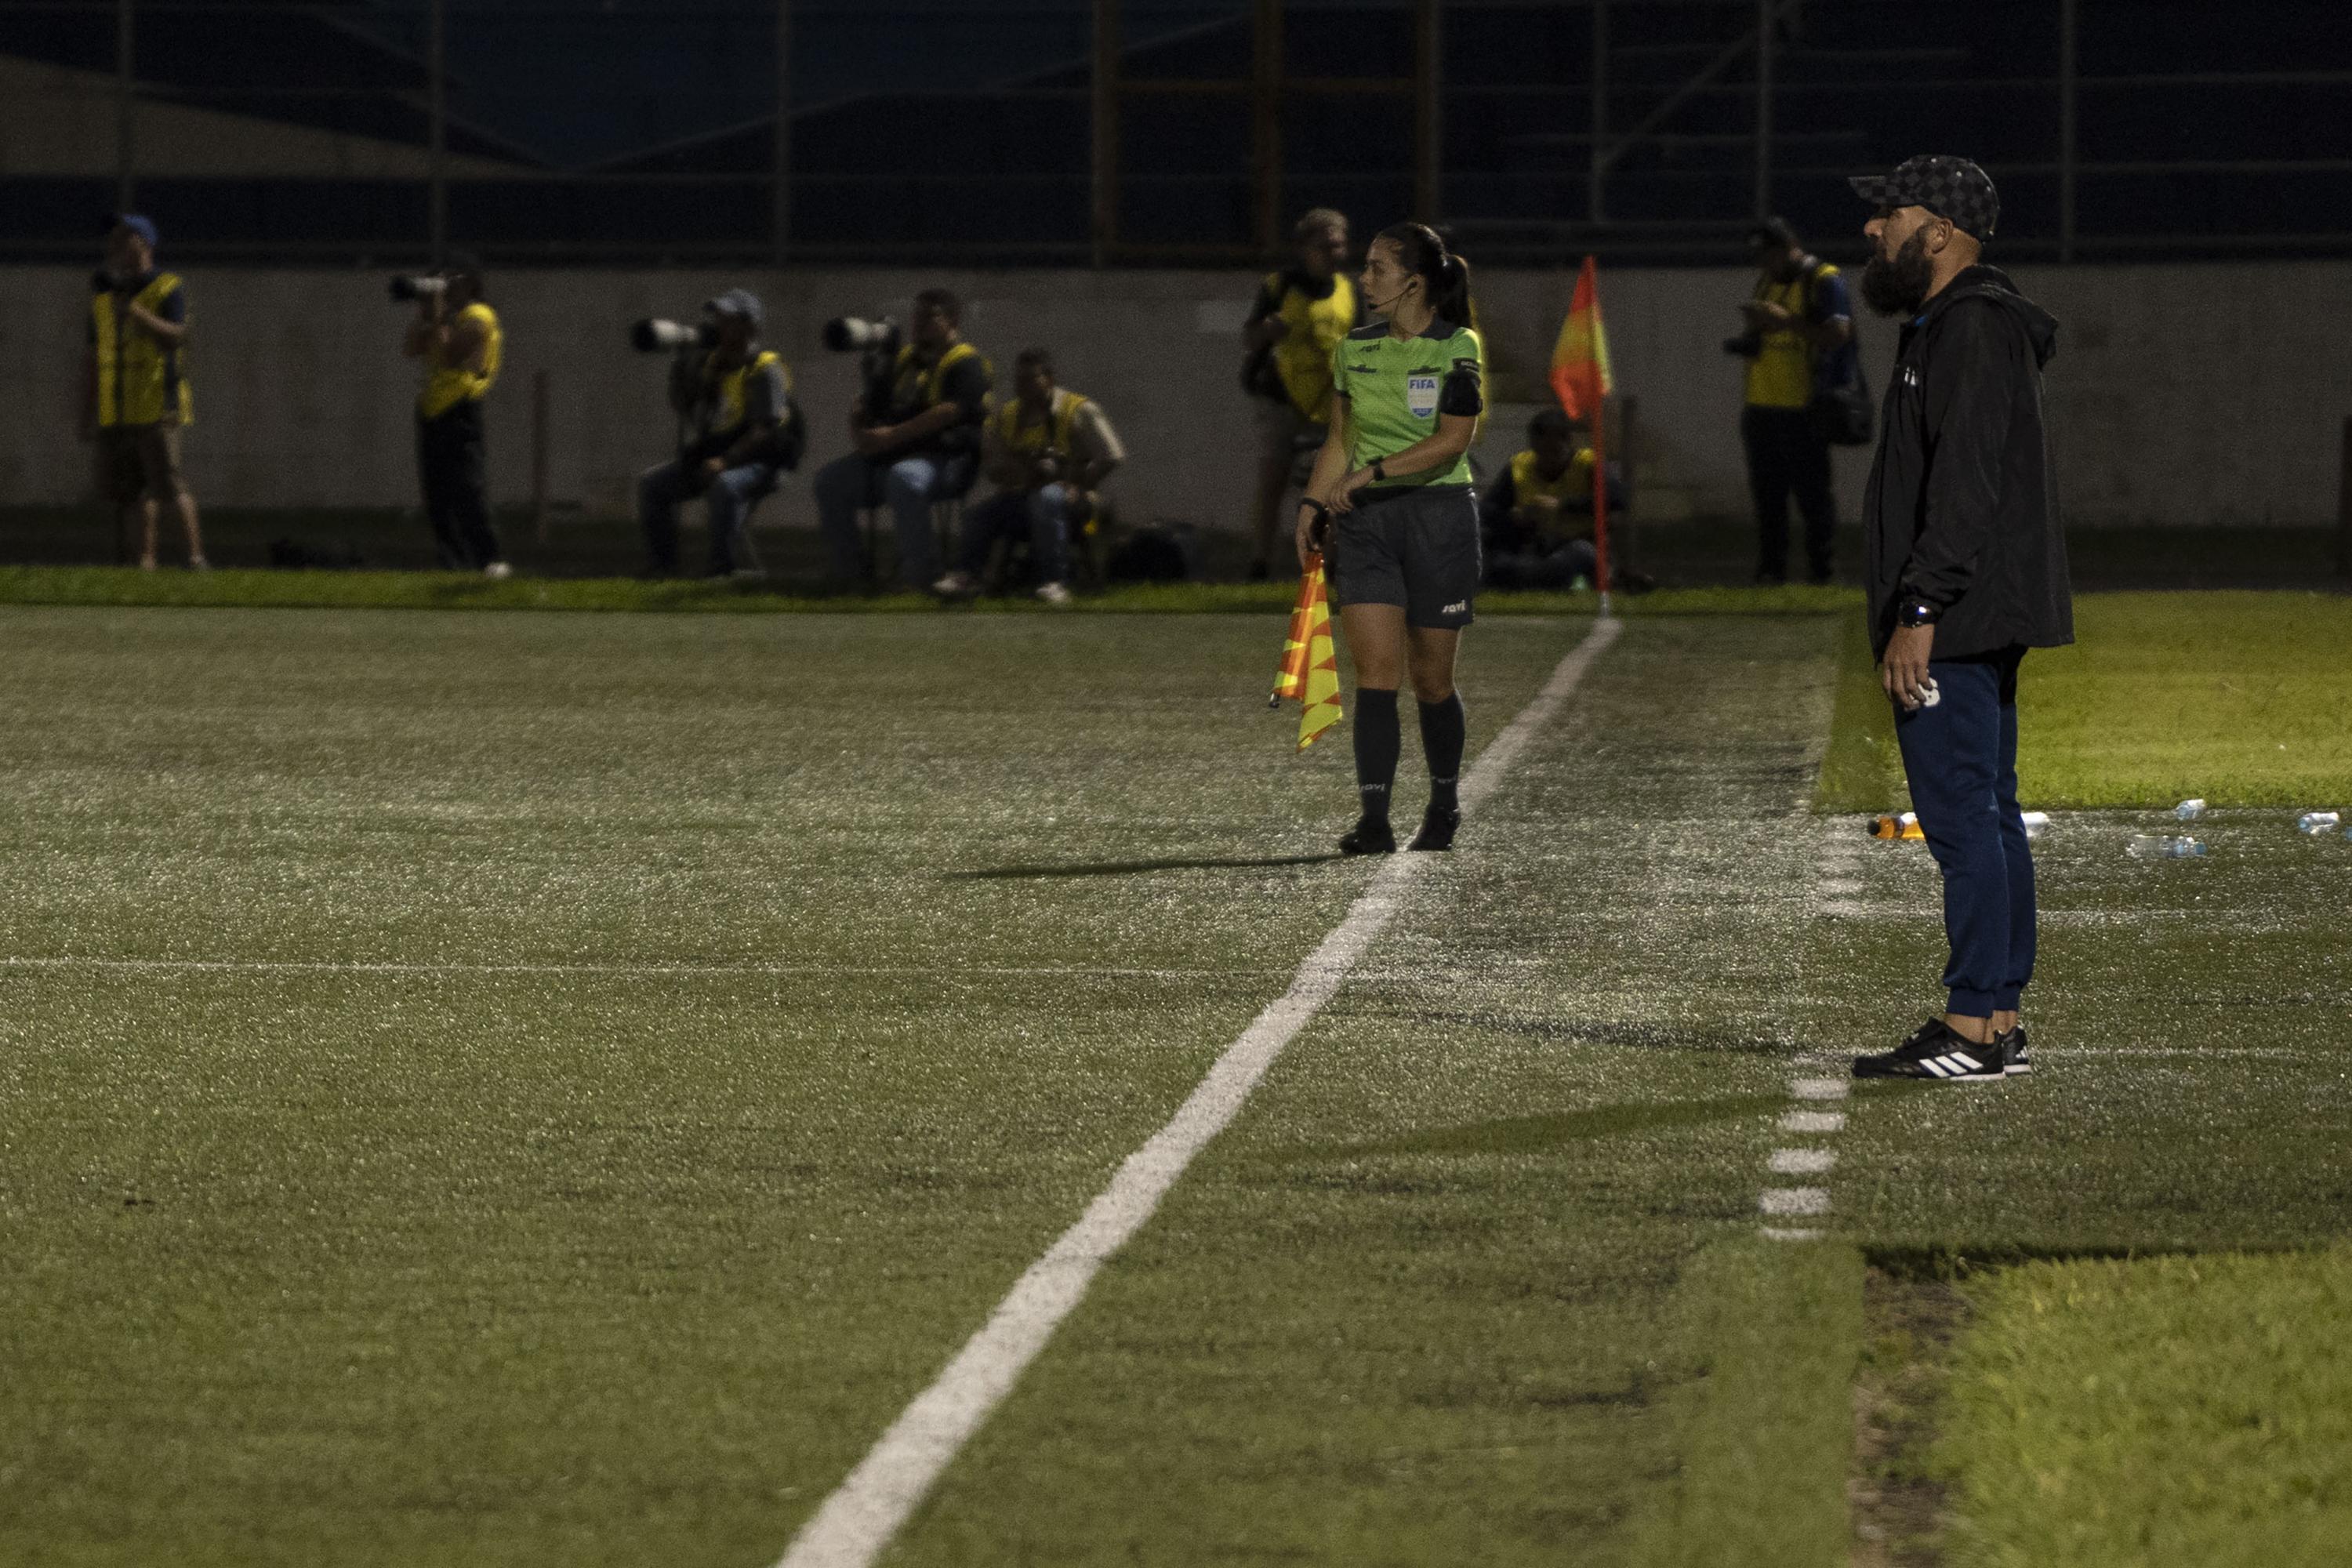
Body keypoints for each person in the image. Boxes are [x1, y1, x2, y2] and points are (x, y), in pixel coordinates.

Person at [1844, 156, 2073, 1083]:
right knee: (1989, 810)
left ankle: (1973, 1022)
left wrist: (1921, 609)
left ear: (1937, 229)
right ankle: (1998, 1015)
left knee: (1962, 817)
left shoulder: (1970, 329)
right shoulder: (1954, 323)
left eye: (1887, 213)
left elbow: (1965, 488)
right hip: (1975, 610)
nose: (1872, 230)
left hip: (1959, 615)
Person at [1296, 221, 1483, 857]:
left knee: (1432, 682)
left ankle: (1444, 804)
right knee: (1376, 675)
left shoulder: (1459, 346)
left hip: (1440, 521)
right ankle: (1374, 819)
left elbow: (1454, 440)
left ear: (1415, 280)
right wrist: (1312, 504)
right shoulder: (1355, 350)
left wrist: (1371, 472)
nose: (1364, 277)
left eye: (1377, 267)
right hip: (1368, 525)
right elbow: (1340, 440)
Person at [814, 289, 992, 591]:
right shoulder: (905, 360)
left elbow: (949, 412)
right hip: (895, 456)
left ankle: (921, 577)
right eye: (917, 315)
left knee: (905, 479)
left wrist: (891, 437)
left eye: (929, 316)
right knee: (829, 482)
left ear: (952, 320)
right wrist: (862, 431)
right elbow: (874, 408)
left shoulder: (967, 363)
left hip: (948, 462)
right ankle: (852, 572)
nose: (919, 322)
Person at [933, 347, 1125, 606]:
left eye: (1029, 379)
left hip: (1079, 504)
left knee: (1047, 498)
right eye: (1018, 380)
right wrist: (1018, 471)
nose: (1022, 386)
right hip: (1026, 495)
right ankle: (967, 577)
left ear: (1049, 379)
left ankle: (1055, 582)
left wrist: (1078, 483)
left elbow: (1113, 455)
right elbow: (993, 466)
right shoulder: (1008, 415)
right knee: (981, 514)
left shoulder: (1078, 410)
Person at [637, 290, 801, 579]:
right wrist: (681, 370)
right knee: (652, 484)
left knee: (726, 485)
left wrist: (726, 461)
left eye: (729, 321)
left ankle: (721, 570)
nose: (719, 327)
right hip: (717, 457)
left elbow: (765, 429)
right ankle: (663, 569)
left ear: (750, 327)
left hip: (761, 462)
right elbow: (689, 411)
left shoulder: (764, 369)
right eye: (718, 319)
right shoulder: (714, 365)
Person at [1728, 216, 1856, 585]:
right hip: (1761, 406)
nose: (1763, 264)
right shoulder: (1768, 281)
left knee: (1813, 499)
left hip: (1803, 408)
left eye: (1768, 255)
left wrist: (1785, 322)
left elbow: (1838, 334)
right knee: (1768, 499)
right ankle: (1771, 572)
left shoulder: (1823, 280)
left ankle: (1822, 574)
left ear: (1788, 247)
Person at [81, 215, 207, 570]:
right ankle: (143, 562)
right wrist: (87, 411)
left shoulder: (166, 287)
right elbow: (93, 359)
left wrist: (135, 311)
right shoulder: (104, 297)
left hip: (157, 406)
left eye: (126, 237)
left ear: (146, 243)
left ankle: (196, 558)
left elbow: (177, 336)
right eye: (114, 239)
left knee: (170, 485)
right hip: (119, 410)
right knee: (130, 493)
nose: (117, 245)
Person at [1243, 209, 1357, 580]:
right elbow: (1250, 339)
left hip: (1331, 402)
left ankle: (1327, 564)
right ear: (1304, 249)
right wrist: (1267, 330)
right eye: (1324, 246)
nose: (1333, 253)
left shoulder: (1349, 291)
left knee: (1332, 488)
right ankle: (1260, 562)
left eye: (1338, 245)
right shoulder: (1280, 287)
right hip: (1282, 399)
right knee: (1273, 480)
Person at [402, 252, 510, 577]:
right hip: (431, 411)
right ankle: (453, 561)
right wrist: (426, 311)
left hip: (461, 409)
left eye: (454, 278)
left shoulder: (480, 315)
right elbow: (410, 348)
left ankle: (489, 560)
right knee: (437, 494)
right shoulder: (444, 315)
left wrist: (436, 316)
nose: (447, 286)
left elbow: (451, 355)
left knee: (467, 488)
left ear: (471, 283)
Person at [1479, 407, 1628, 590]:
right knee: (1497, 561)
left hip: (1579, 543)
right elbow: (1487, 509)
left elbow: (1616, 498)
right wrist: (1515, 517)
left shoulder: (1587, 464)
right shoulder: (1519, 468)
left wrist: (1562, 506)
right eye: (1542, 451)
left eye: (1554, 451)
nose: (1549, 459)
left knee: (1573, 557)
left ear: (1568, 442)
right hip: (1533, 546)